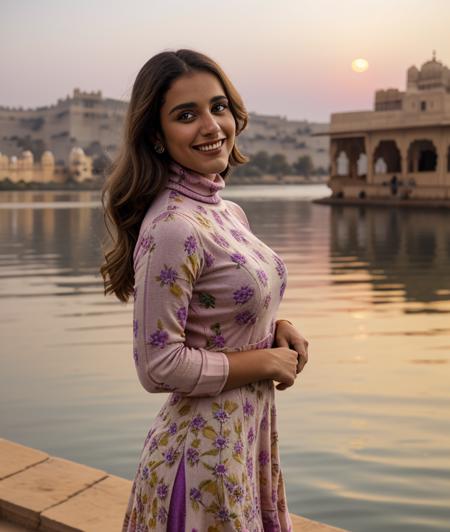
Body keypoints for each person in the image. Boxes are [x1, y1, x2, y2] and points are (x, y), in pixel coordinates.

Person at [101, 49, 309, 532]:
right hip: (200, 460)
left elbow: (222, 312)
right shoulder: (174, 226)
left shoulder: (226, 212)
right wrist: (265, 362)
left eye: (218, 107)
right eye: (186, 115)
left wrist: (279, 327)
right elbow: (158, 366)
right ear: (156, 135)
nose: (212, 125)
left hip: (240, 443)